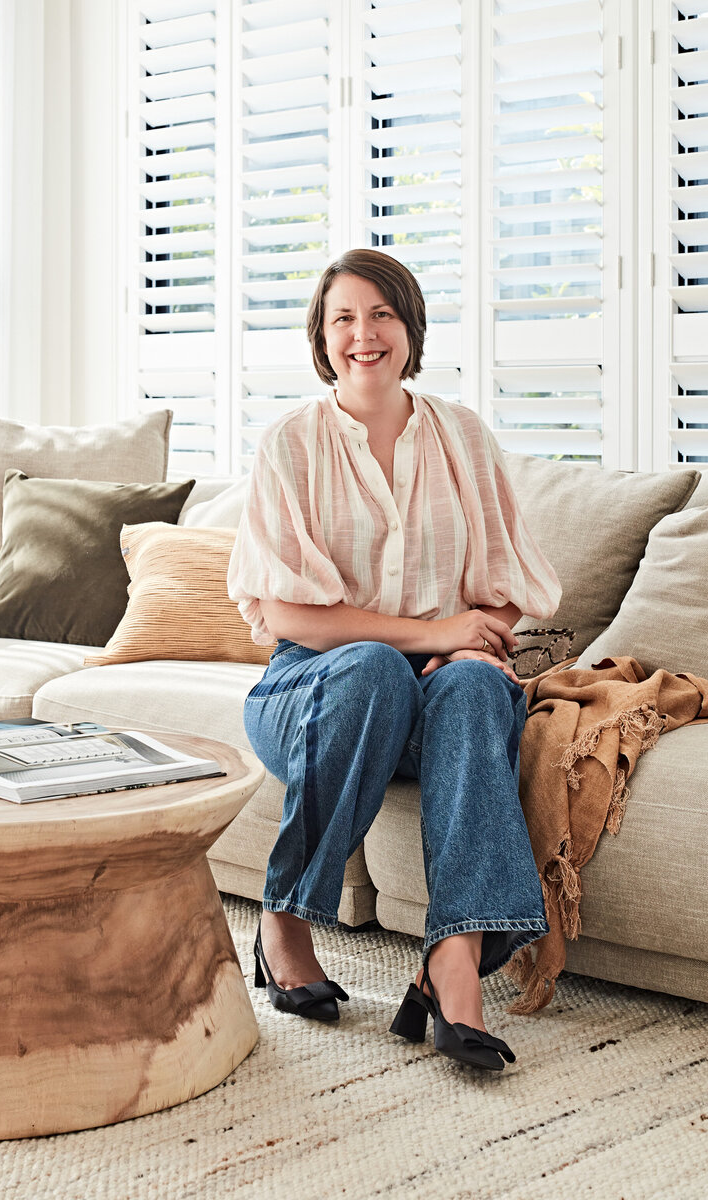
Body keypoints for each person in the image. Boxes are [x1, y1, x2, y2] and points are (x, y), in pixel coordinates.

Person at [227, 249, 561, 1072]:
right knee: (376, 666)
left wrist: (467, 642)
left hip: (430, 693)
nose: (363, 334)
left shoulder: (462, 436)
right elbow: (286, 611)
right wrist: (432, 633)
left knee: (482, 682)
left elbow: (510, 584)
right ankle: (284, 922)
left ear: (410, 329)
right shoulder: (291, 445)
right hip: (312, 685)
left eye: (381, 315)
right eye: (344, 317)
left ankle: (452, 968)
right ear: (322, 336)